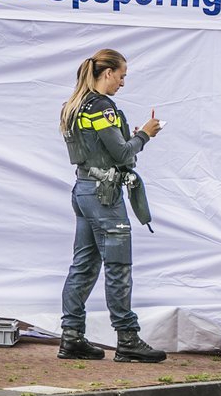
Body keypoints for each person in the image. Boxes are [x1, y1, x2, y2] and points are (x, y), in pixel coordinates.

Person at [56, 48, 166, 363]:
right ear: (108, 73)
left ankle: (72, 336)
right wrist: (144, 135)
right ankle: (128, 340)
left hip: (83, 190)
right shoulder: (103, 108)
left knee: (83, 266)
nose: (122, 83)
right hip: (105, 197)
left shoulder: (73, 107)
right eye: (122, 76)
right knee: (118, 267)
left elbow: (101, 149)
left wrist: (127, 143)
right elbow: (120, 155)